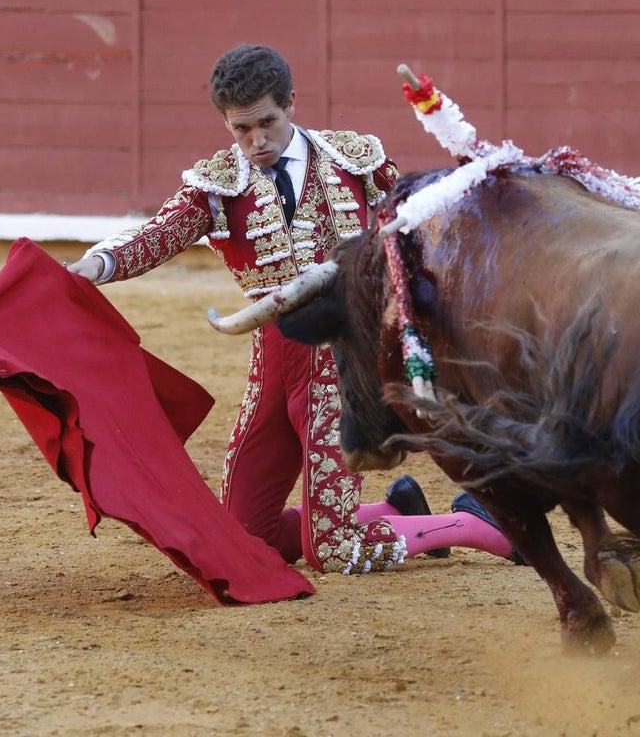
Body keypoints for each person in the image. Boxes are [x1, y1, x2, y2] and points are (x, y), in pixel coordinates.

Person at [67, 44, 517, 574]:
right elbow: (159, 234)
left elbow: (416, 225)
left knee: (331, 550)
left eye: (267, 123)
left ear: (291, 105)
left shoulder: (357, 159)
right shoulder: (217, 184)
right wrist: (96, 266)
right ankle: (395, 511)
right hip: (273, 361)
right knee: (240, 536)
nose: (256, 141)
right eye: (241, 129)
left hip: (342, 360)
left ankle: (476, 526)